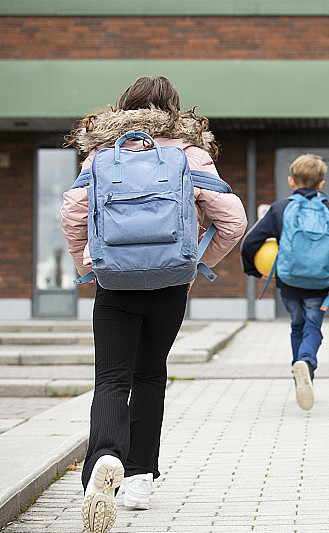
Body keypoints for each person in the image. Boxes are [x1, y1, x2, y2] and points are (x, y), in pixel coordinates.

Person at [61, 75, 247, 533]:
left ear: (123, 107)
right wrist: (196, 265)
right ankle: (140, 478)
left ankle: (104, 458)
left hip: (115, 284)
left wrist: (87, 265)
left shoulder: (103, 154)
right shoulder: (190, 154)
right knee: (149, 376)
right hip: (169, 286)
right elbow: (234, 220)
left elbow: (73, 213)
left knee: (111, 378)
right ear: (176, 111)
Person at [240, 154, 329, 411]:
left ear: (292, 182)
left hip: (289, 283)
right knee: (312, 327)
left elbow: (249, 243)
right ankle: (306, 362)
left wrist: (253, 271)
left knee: (297, 326)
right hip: (320, 284)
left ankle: (299, 375)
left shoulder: (279, 209)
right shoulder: (328, 209)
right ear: (321, 184)